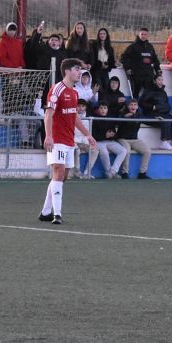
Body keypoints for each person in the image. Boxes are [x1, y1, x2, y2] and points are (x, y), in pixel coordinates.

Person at [38, 58, 97, 225]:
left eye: (80, 70)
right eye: (77, 69)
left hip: (69, 140)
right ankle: (57, 214)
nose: (79, 72)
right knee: (58, 172)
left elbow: (75, 117)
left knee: (63, 177)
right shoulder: (57, 89)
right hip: (56, 139)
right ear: (67, 71)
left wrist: (88, 135)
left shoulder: (75, 92)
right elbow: (48, 114)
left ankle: (45, 211)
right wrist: (48, 136)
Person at [139, 75, 172, 150]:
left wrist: (166, 108)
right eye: (159, 80)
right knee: (165, 121)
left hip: (164, 113)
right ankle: (164, 142)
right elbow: (141, 103)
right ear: (154, 81)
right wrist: (152, 107)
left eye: (162, 80)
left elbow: (167, 105)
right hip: (151, 114)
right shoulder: (149, 91)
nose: (161, 82)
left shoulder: (163, 92)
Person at [116, 98, 152, 179]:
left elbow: (148, 120)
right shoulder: (122, 113)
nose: (133, 106)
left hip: (134, 139)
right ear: (128, 106)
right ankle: (124, 172)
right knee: (127, 151)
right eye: (131, 104)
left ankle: (142, 173)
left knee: (147, 151)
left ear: (137, 107)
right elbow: (116, 121)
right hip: (122, 139)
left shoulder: (139, 115)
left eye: (135, 105)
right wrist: (124, 118)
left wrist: (157, 118)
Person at [90, 101, 127, 179]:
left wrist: (112, 135)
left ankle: (112, 171)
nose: (103, 110)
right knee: (104, 152)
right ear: (98, 109)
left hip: (109, 141)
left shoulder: (110, 118)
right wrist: (105, 135)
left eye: (105, 108)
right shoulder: (94, 119)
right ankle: (108, 172)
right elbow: (93, 135)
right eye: (101, 108)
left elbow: (114, 134)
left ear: (107, 109)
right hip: (98, 142)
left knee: (123, 151)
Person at [120, 27, 160, 99]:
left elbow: (155, 59)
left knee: (149, 96)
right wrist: (127, 68)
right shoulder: (133, 46)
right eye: (142, 34)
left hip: (148, 76)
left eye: (145, 34)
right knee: (135, 96)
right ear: (139, 35)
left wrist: (158, 69)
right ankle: (134, 109)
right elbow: (123, 57)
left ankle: (147, 110)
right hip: (136, 76)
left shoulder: (150, 47)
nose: (144, 36)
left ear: (148, 35)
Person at [72, 99, 98, 179]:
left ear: (85, 107)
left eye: (83, 106)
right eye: (79, 106)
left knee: (95, 151)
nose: (80, 108)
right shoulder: (71, 116)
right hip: (73, 141)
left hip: (83, 142)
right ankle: (77, 172)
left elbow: (87, 133)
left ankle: (87, 172)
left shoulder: (88, 118)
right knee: (77, 150)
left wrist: (89, 143)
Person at [89, 27, 117, 93]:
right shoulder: (94, 45)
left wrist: (109, 66)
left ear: (106, 35)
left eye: (104, 34)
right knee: (99, 88)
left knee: (107, 87)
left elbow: (112, 61)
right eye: (100, 34)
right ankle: (101, 102)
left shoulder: (110, 48)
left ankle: (105, 103)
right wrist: (100, 64)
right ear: (98, 35)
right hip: (96, 70)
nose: (102, 35)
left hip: (105, 71)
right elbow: (92, 58)